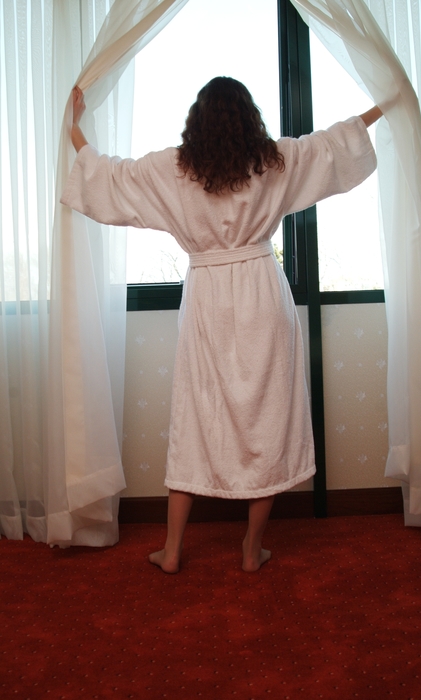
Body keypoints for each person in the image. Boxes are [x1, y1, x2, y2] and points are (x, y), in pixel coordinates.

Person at [62, 77, 382, 574]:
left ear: (198, 121)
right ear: (249, 118)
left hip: (208, 299)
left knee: (195, 419)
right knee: (268, 424)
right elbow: (332, 145)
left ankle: (171, 552)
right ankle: (252, 551)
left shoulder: (173, 169)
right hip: (261, 294)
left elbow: (109, 177)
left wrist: (74, 128)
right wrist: (386, 104)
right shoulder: (273, 161)